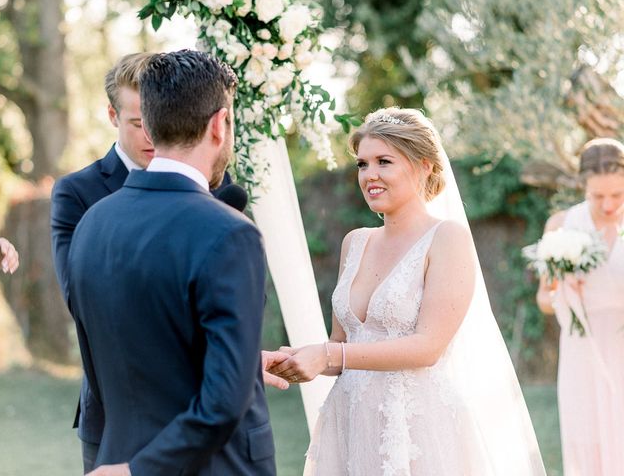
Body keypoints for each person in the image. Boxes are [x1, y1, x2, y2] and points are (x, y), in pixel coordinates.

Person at [270, 108, 546, 475]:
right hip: (351, 422)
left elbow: (427, 347)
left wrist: (327, 354)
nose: (370, 176)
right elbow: (344, 341)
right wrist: (302, 358)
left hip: (417, 426)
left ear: (424, 166)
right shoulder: (355, 242)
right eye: (362, 165)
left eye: (384, 162)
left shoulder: (446, 239)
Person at [67, 50, 275, 475]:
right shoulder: (230, 233)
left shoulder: (92, 223)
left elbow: (115, 365)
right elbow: (223, 403)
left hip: (113, 457)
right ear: (219, 125)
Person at [50, 52, 156, 473]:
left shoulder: (209, 184)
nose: (152, 133)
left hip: (199, 414)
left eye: (159, 118)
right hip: (112, 414)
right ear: (113, 115)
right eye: (136, 122)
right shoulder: (77, 191)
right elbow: (80, 298)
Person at [536, 137, 624, 476]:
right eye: (597, 196)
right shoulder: (561, 226)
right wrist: (564, 293)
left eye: (617, 194)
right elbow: (545, 299)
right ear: (582, 186)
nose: (608, 204)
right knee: (587, 437)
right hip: (581, 347)